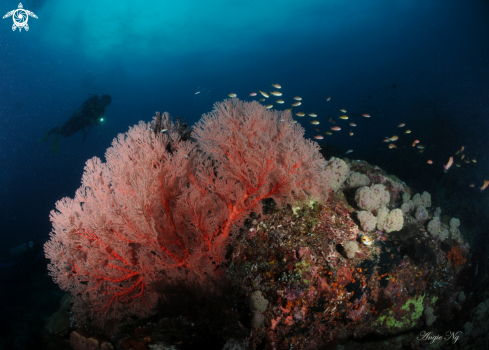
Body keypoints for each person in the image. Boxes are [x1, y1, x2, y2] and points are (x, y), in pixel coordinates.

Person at [41, 94, 112, 153]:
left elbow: (98, 122)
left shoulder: (102, 111)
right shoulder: (93, 103)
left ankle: (56, 132)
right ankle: (50, 132)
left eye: (106, 103)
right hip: (76, 119)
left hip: (82, 125)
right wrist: (87, 118)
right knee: (62, 129)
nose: (104, 103)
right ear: (101, 99)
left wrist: (95, 121)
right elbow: (82, 111)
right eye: (104, 101)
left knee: (65, 134)